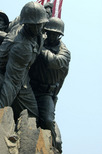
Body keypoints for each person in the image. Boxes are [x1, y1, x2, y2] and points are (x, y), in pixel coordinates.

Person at [0, 1, 48, 123]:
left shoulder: (38, 34)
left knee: (33, 117)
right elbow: (10, 84)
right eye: (35, 24)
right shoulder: (21, 45)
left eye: (40, 23)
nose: (38, 27)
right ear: (26, 24)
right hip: (4, 74)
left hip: (22, 77)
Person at [29, 17, 71, 153]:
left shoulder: (64, 51)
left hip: (46, 93)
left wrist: (40, 49)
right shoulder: (39, 40)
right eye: (49, 32)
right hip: (29, 88)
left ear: (59, 35)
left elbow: (56, 62)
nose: (52, 35)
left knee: (47, 120)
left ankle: (53, 148)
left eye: (55, 33)